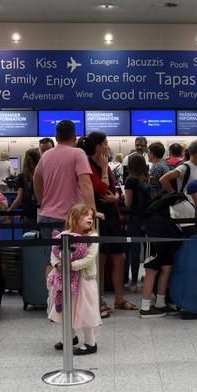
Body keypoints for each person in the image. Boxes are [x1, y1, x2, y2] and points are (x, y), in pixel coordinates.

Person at [33, 121, 96, 298]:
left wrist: (41, 201)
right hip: (71, 218)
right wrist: (92, 211)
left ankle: (53, 301)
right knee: (78, 261)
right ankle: (73, 302)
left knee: (52, 261)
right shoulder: (78, 153)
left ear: (56, 137)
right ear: (74, 136)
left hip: (47, 217)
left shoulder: (46, 155)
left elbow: (36, 179)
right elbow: (85, 182)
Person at [139, 179, 197, 318]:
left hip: (164, 236)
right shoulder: (187, 206)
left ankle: (160, 304)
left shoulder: (190, 205)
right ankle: (145, 308)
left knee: (166, 267)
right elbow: (189, 231)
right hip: (156, 233)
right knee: (152, 268)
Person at [78, 131, 136, 313]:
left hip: (112, 216)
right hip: (96, 217)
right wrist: (103, 169)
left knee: (120, 257)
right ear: (98, 146)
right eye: (105, 143)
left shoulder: (107, 166)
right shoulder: (87, 164)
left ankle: (119, 299)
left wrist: (116, 197)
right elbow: (101, 188)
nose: (107, 146)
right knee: (99, 259)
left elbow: (114, 189)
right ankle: (98, 300)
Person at [48, 204, 102, 355]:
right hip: (65, 279)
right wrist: (57, 263)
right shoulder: (64, 235)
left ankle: (91, 342)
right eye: (86, 215)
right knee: (66, 308)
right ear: (74, 218)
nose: (90, 218)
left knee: (85, 309)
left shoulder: (92, 237)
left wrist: (68, 266)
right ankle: (69, 337)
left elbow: (89, 259)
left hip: (85, 279)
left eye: (91, 215)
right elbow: (54, 253)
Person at [124, 154, 152, 293]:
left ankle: (133, 282)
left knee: (134, 251)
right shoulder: (146, 178)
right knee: (149, 250)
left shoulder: (130, 181)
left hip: (134, 219)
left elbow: (128, 203)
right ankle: (149, 277)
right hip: (148, 218)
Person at [7, 148, 41, 226]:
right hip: (42, 212)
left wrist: (9, 210)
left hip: (28, 212)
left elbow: (19, 198)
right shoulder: (44, 174)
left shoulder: (23, 176)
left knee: (29, 236)